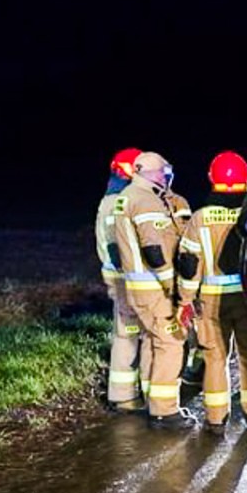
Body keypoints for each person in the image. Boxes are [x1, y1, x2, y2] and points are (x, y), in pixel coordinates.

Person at [177, 150, 247, 433]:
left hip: (211, 301)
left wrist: (185, 300)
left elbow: (190, 265)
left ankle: (216, 419)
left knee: (215, 357)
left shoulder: (200, 218)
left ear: (211, 179)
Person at [114, 151, 196, 429]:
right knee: (171, 342)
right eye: (162, 171)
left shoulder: (131, 196)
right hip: (154, 289)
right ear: (147, 172)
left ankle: (153, 400)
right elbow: (154, 250)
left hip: (139, 288)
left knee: (153, 341)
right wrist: (173, 287)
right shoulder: (145, 200)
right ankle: (164, 411)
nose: (166, 175)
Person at [95, 147, 148, 411]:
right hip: (126, 279)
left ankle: (126, 394)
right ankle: (129, 397)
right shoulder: (117, 203)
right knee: (132, 334)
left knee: (129, 333)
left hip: (124, 278)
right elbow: (119, 248)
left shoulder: (115, 199)